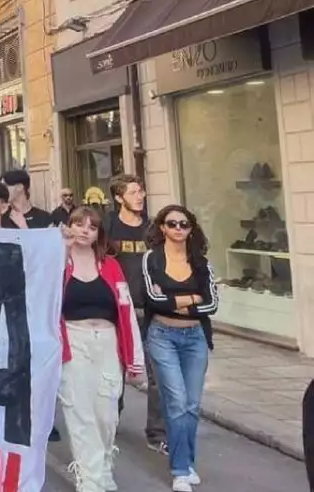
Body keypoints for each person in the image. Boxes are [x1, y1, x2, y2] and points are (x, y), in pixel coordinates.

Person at [58, 206, 144, 492]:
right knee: (80, 413)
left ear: (98, 234)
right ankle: (90, 479)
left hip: (107, 343)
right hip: (73, 342)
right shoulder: (59, 262)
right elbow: (43, 298)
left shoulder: (110, 265)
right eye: (78, 224)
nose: (84, 230)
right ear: (68, 227)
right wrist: (61, 251)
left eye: (91, 227)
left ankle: (103, 465)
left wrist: (134, 360)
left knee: (107, 415)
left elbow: (126, 310)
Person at [142, 205, 218, 492]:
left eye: (183, 224)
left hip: (195, 338)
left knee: (192, 405)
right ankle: (180, 470)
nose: (177, 229)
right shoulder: (152, 259)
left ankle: (186, 462)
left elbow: (211, 305)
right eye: (171, 223)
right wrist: (192, 298)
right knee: (175, 402)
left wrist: (176, 299)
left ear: (190, 228)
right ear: (162, 227)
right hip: (162, 335)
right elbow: (152, 299)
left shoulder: (201, 263)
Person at [106, 173, 166, 453]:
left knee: (157, 373)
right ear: (119, 197)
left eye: (141, 191)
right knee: (114, 370)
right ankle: (110, 419)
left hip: (150, 309)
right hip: (118, 311)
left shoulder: (155, 229)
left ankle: (157, 433)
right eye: (132, 192)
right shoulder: (108, 226)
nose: (139, 196)